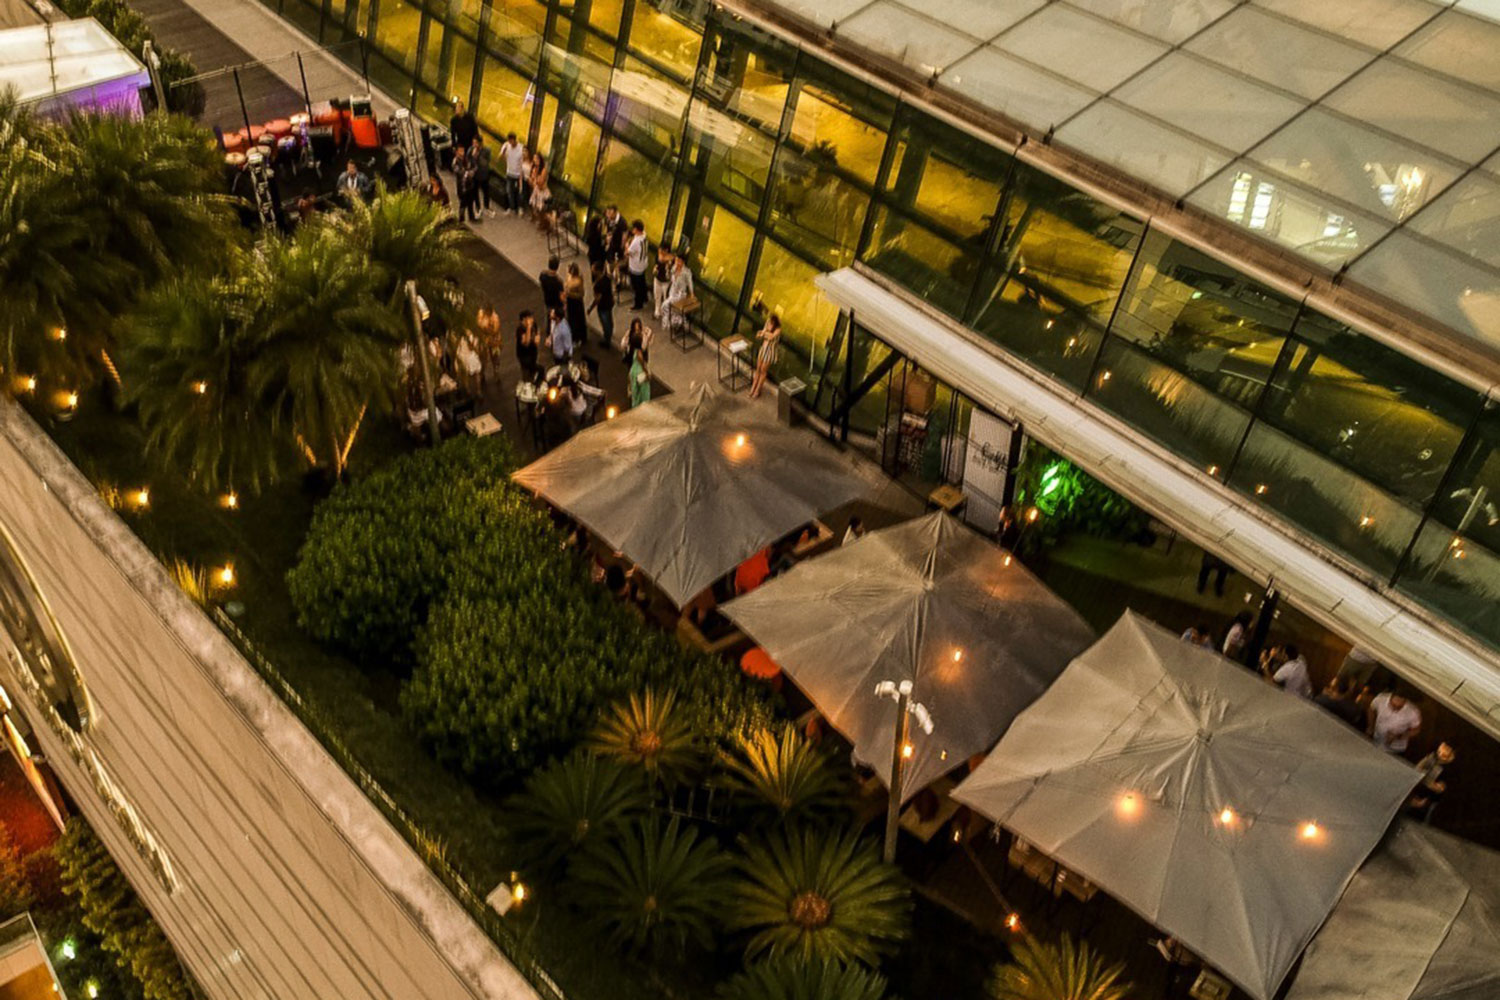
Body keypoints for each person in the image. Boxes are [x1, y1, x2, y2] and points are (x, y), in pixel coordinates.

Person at [1408, 743, 1456, 819]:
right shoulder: (1431, 756)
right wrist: (1429, 783)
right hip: (1414, 790)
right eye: (1442, 748)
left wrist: (1436, 787)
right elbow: (1417, 771)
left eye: (1447, 750)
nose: (1442, 752)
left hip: (1428, 798)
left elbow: (1441, 788)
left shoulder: (1450, 769)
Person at [1368, 690, 1422, 754]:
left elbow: (1416, 729)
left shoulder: (1413, 712)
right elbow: (1371, 709)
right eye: (1393, 705)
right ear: (1390, 698)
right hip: (1375, 738)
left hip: (1395, 749)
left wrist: (1398, 736)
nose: (1395, 709)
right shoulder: (1380, 699)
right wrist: (1371, 726)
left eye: (1399, 707)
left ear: (1405, 702)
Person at [749, 313, 782, 399]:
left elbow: (771, 337)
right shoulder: (767, 323)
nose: (769, 323)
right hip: (763, 349)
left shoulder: (778, 329)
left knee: (763, 370)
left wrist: (763, 333)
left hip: (769, 352)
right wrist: (761, 333)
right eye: (769, 321)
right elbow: (761, 334)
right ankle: (753, 387)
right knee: (758, 369)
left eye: (771, 322)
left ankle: (758, 390)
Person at [663, 253, 696, 337]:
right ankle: (677, 325)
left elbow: (690, 283)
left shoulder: (686, 272)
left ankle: (679, 323)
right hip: (672, 292)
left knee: (666, 306)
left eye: (679, 261)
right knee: (673, 310)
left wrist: (692, 294)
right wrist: (667, 270)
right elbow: (669, 278)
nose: (677, 262)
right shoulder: (674, 268)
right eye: (676, 260)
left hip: (680, 295)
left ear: (682, 262)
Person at [589, 261, 616, 350]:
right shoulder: (607, 279)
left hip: (603, 306)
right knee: (609, 319)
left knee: (605, 323)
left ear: (598, 271)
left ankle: (607, 340)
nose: (591, 270)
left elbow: (598, 299)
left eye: (593, 269)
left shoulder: (598, 285)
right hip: (609, 302)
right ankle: (610, 333)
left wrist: (591, 308)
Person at [625, 220, 650, 310]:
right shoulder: (644, 236)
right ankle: (645, 298)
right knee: (642, 282)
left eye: (634, 228)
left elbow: (628, 252)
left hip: (635, 266)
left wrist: (627, 245)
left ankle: (638, 304)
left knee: (637, 286)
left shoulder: (636, 242)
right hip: (643, 264)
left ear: (637, 229)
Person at [500, 132, 526, 214]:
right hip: (509, 172)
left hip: (518, 173)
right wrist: (503, 153)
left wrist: (522, 172)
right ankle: (512, 207)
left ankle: (520, 207)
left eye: (512, 141)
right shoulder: (506, 145)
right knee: (509, 191)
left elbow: (523, 160)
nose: (511, 143)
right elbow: (501, 157)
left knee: (520, 191)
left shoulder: (520, 148)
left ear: (515, 140)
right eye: (509, 141)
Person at [564, 262, 588, 350]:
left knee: (577, 321)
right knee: (571, 320)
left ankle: (579, 338)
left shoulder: (578, 280)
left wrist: (569, 294)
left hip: (576, 302)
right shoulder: (569, 276)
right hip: (570, 302)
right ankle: (574, 336)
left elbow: (581, 294)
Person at [454, 150, 480, 223]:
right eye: (460, 151)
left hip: (469, 185)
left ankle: (471, 217)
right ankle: (461, 219)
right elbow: (457, 171)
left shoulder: (467, 159)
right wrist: (466, 173)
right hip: (462, 186)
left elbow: (475, 166)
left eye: (462, 151)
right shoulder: (455, 161)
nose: (462, 153)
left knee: (470, 202)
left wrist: (472, 172)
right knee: (463, 204)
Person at [539, 256, 564, 326]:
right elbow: (562, 297)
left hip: (547, 302)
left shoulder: (543, 275)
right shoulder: (558, 282)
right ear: (557, 266)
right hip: (557, 305)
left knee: (548, 321)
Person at [515, 310, 540, 379]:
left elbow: (537, 336)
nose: (532, 319)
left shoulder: (534, 325)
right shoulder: (520, 330)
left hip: (533, 353)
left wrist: (537, 339)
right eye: (530, 318)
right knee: (526, 374)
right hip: (524, 356)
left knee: (535, 371)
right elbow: (526, 343)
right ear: (524, 319)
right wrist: (528, 328)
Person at [529, 152, 550, 226]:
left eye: (537, 158)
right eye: (534, 158)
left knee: (541, 207)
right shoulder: (534, 168)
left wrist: (535, 177)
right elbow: (531, 180)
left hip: (542, 190)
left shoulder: (543, 170)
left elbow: (540, 181)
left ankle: (543, 223)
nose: (535, 160)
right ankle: (534, 217)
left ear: (540, 160)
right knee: (533, 204)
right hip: (536, 189)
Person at [653, 244, 673, 320]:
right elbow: (656, 265)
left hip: (665, 281)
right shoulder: (658, 256)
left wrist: (668, 264)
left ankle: (666, 314)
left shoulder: (670, 259)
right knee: (657, 296)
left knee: (665, 298)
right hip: (658, 279)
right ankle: (657, 311)